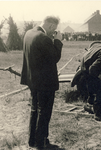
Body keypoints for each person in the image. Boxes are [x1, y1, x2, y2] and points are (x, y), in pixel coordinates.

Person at [20, 16, 63, 149]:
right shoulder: (43, 38)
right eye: (53, 30)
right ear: (50, 26)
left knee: (35, 110)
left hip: (33, 80)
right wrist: (57, 41)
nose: (53, 32)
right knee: (44, 113)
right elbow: (55, 57)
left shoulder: (29, 33)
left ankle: (33, 140)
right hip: (45, 83)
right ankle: (41, 143)